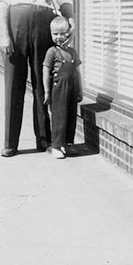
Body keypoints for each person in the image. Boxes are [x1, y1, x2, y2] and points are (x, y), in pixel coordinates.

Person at [0, 0, 74, 157]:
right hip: (17, 22)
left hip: (44, 23)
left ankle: (45, 140)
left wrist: (71, 21)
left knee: (43, 84)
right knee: (14, 84)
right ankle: (11, 143)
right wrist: (4, 35)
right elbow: (2, 2)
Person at [42, 16, 83, 159]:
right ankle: (56, 146)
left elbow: (77, 72)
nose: (59, 37)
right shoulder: (51, 52)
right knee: (59, 117)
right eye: (55, 34)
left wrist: (80, 90)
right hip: (58, 88)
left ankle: (68, 144)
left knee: (71, 116)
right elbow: (46, 71)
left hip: (72, 88)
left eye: (63, 33)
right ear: (51, 34)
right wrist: (47, 92)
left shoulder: (72, 52)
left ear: (69, 33)